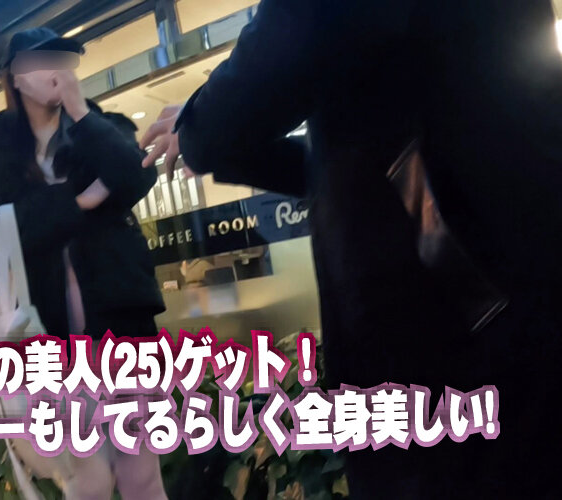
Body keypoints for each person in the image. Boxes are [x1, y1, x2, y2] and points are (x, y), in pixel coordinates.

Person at [141, 1, 562, 499]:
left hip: (448, 303)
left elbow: (288, 43)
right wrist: (210, 136)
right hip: (497, 275)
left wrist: (201, 128)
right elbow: (350, 161)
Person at [0, 28, 167, 500]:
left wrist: (81, 112)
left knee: (141, 476)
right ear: (14, 76)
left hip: (122, 326)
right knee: (87, 480)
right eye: (38, 61)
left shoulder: (102, 127)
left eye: (62, 59)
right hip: (42, 338)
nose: (52, 70)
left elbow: (134, 176)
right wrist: (79, 201)